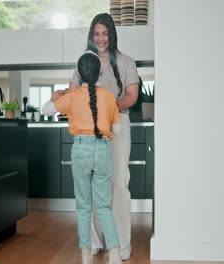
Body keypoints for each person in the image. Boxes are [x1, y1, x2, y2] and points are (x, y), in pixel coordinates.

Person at [67, 13, 140, 260]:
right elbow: (72, 92)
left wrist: (110, 106)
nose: (100, 39)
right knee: (92, 186)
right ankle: (96, 242)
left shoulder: (126, 62)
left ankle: (120, 245)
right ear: (91, 36)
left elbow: (132, 95)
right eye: (96, 34)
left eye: (105, 33)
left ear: (112, 35)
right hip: (90, 130)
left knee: (118, 183)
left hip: (118, 126)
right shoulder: (83, 62)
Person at [42, 51, 123, 264]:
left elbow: (46, 110)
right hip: (103, 151)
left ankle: (86, 255)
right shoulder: (108, 96)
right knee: (104, 206)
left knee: (83, 206)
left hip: (80, 152)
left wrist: (53, 98)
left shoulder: (71, 96)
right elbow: (118, 127)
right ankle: (114, 252)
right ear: (101, 71)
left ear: (78, 73)